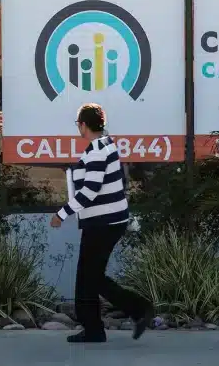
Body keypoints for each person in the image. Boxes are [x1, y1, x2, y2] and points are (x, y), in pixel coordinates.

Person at [50, 102, 152, 343]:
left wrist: (61, 214)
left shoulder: (97, 151)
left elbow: (90, 191)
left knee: (90, 277)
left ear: (83, 125)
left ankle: (138, 310)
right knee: (89, 276)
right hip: (108, 220)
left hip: (103, 222)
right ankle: (95, 328)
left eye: (78, 124)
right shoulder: (106, 144)